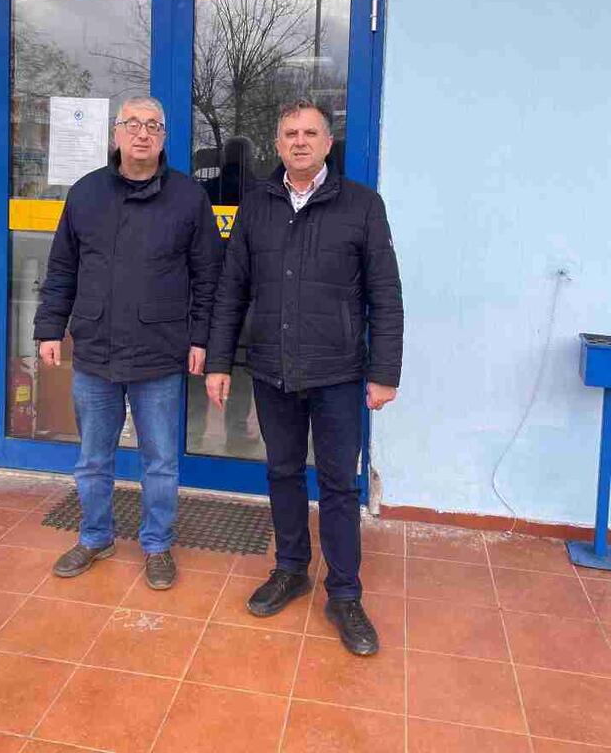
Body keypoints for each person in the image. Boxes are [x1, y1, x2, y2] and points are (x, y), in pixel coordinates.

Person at [205, 99, 403, 656]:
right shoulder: (256, 204)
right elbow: (232, 289)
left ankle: (344, 593)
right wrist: (219, 362)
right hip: (272, 368)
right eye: (290, 133)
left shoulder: (362, 205)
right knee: (283, 472)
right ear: (276, 144)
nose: (299, 141)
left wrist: (384, 371)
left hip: (338, 372)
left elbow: (385, 294)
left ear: (327, 143)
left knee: (339, 484)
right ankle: (291, 568)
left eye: (310, 133)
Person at [35, 96, 223, 590]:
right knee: (93, 459)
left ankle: (157, 544)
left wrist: (201, 339)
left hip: (159, 351)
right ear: (116, 133)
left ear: (164, 137)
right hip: (95, 351)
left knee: (159, 462)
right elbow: (62, 268)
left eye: (153, 126)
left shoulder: (188, 198)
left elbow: (208, 277)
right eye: (133, 124)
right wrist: (50, 328)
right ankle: (95, 536)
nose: (143, 133)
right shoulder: (86, 193)